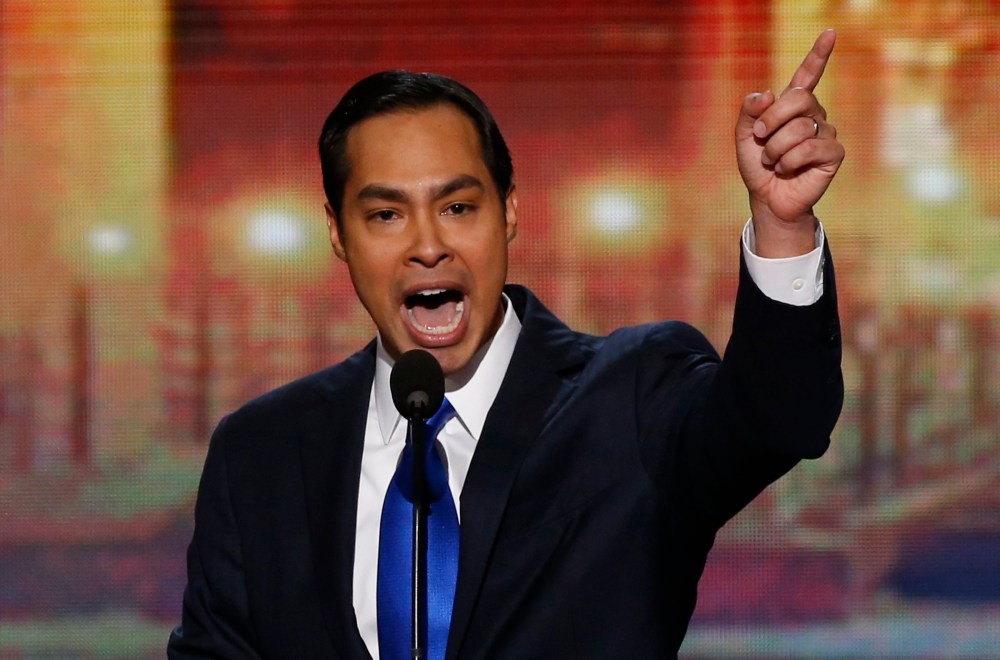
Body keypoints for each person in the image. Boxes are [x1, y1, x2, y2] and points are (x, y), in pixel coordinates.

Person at [169, 29, 845, 659]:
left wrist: (783, 226)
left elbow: (779, 419)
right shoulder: (261, 452)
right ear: (339, 235)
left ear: (510, 212)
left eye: (459, 208)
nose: (428, 245)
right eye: (385, 215)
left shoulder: (633, 394)